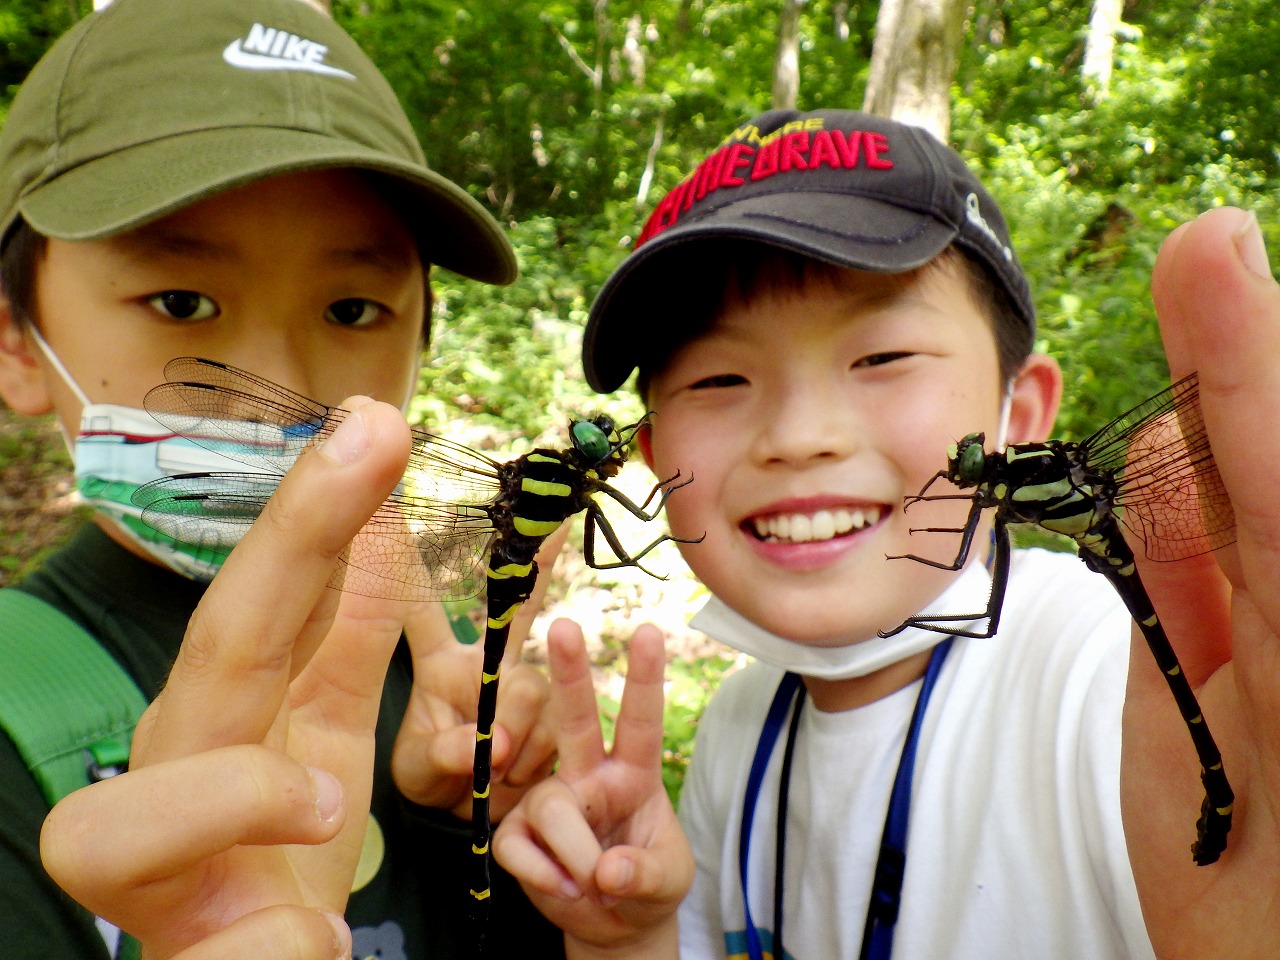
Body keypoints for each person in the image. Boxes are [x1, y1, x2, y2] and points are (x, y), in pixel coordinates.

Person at [488, 109, 1280, 960]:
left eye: (882, 359)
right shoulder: (735, 721)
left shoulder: (1111, 689)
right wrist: (626, 938)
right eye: (720, 378)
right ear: (649, 455)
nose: (799, 435)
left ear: (1018, 415)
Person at [0, 0, 563, 957]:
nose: (290, 389)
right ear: (16, 341)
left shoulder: (457, 674)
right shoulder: (19, 721)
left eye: (351, 309)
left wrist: (491, 828)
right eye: (183, 301)